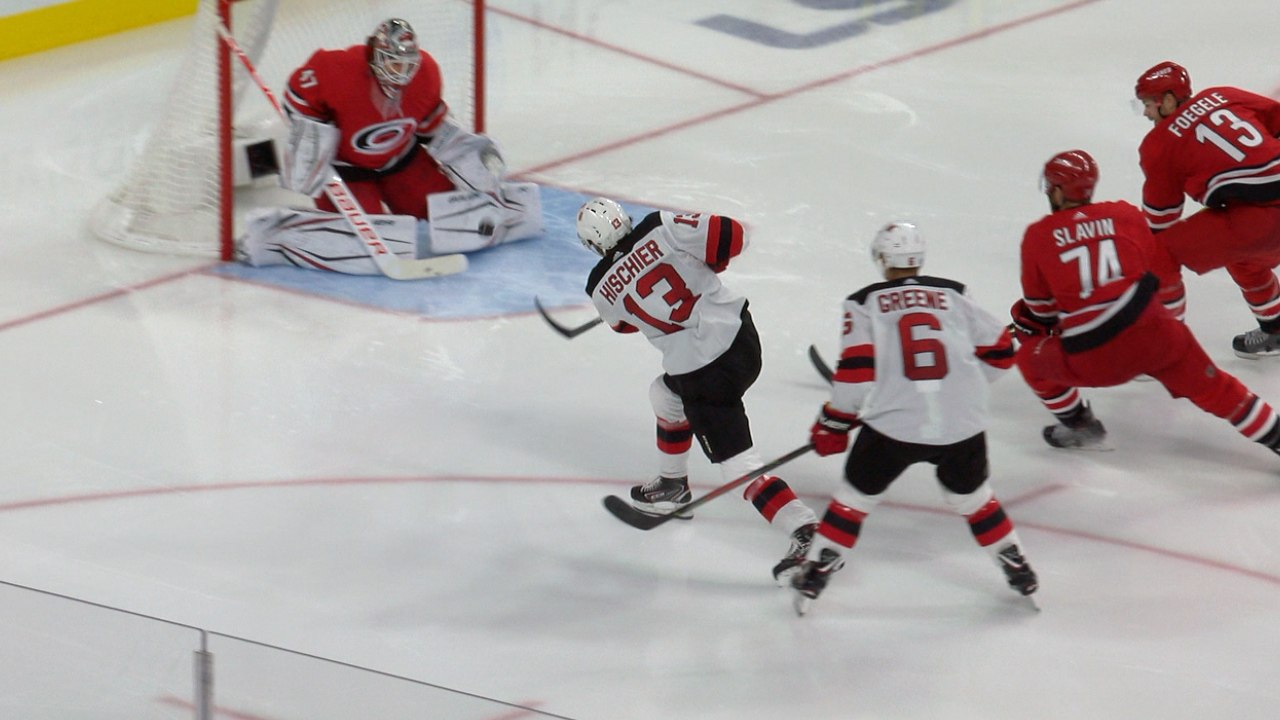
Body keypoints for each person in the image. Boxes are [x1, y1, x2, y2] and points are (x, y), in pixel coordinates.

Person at [788, 223, 1035, 616]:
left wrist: (834, 422)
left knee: (854, 500)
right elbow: (1003, 353)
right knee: (975, 500)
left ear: (882, 260)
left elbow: (854, 373)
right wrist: (964, 385)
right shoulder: (955, 293)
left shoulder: (863, 302)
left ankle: (818, 570)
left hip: (894, 427)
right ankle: (1016, 563)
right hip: (962, 425)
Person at [577, 197, 819, 584]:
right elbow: (732, 237)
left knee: (740, 468)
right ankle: (673, 484)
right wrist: (707, 264)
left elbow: (625, 326)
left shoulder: (599, 288)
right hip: (742, 342)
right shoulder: (660, 226)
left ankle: (803, 528)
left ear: (592, 246)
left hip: (704, 377)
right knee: (664, 395)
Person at [1012, 149, 1280, 457]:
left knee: (1030, 361)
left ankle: (1080, 426)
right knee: (1222, 392)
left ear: (1057, 190)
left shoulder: (1038, 236)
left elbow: (1040, 312)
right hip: (1161, 336)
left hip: (1098, 356)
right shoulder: (1125, 214)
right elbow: (1150, 269)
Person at [238, 18, 542, 274]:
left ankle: (506, 209)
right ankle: (269, 236)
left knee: (460, 221)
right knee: (367, 245)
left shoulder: (427, 74)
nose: (402, 73)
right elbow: (297, 98)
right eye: (393, 63)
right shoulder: (335, 69)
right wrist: (313, 138)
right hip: (348, 172)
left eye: (408, 63)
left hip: (403, 163)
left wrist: (467, 152)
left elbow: (431, 127)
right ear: (375, 57)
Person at [1133, 61, 1280, 357]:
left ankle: (1165, 348)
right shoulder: (1222, 94)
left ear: (1171, 99)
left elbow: (1162, 219)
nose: (1147, 112)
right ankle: (1275, 328)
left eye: (1150, 104)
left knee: (1158, 253)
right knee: (1243, 257)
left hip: (1261, 219)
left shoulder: (1159, 144)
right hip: (1262, 209)